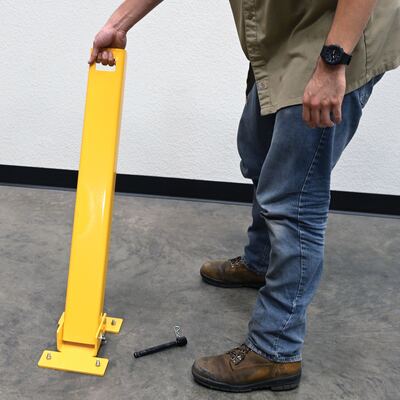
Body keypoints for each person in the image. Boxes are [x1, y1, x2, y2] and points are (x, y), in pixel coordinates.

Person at [89, 0, 399, 392]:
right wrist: (118, 24)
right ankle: (261, 262)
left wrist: (334, 61)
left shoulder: (334, 53)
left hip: (333, 38)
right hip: (283, 39)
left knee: (293, 199)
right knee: (257, 156)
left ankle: (275, 350)